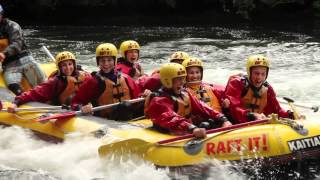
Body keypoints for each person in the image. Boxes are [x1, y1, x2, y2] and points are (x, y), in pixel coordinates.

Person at [144, 63, 232, 138]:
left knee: (209, 123)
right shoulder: (158, 100)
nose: (182, 82)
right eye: (178, 79)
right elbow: (172, 118)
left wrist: (223, 119)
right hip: (169, 133)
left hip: (187, 130)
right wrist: (192, 128)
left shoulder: (185, 93)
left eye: (183, 78)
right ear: (168, 81)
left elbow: (202, 107)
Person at [71, 43, 141, 120]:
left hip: (129, 116)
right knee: (124, 106)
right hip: (107, 120)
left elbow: (137, 98)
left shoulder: (126, 78)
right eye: (102, 60)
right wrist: (81, 107)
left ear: (115, 60)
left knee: (127, 106)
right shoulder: (93, 82)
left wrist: (146, 96)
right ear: (98, 62)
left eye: (109, 60)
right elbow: (76, 102)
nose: (106, 64)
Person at [7, 51, 91, 112]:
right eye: (64, 65)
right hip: (64, 109)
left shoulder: (84, 76)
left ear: (74, 65)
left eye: (70, 64)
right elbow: (34, 92)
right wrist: (16, 102)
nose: (68, 68)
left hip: (83, 107)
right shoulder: (55, 82)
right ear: (59, 68)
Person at [224, 54, 294, 124]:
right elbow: (233, 109)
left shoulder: (267, 89)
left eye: (263, 74)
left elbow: (277, 110)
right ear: (249, 72)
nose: (259, 77)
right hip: (235, 123)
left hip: (257, 123)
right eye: (256, 73)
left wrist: (290, 114)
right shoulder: (236, 83)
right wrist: (251, 115)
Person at [0, 4, 46, 95]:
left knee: (43, 86)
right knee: (12, 84)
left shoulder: (12, 26)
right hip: (9, 65)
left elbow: (17, 44)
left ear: (1, 15)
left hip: (25, 60)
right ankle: (23, 99)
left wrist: (3, 53)